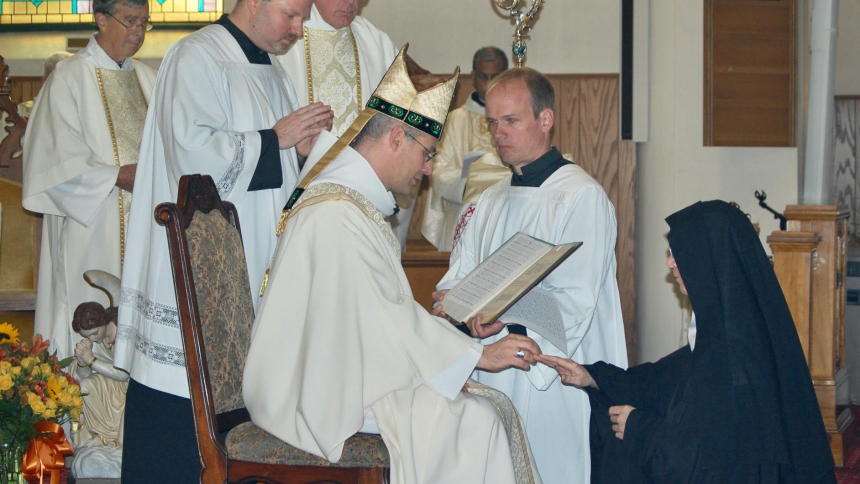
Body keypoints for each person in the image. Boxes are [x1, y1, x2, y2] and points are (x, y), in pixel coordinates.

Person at [244, 45, 542, 484]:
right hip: (311, 393)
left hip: (339, 374)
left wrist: (457, 344)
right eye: (427, 152)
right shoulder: (336, 213)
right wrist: (475, 355)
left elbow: (379, 316)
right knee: (474, 424)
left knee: (478, 411)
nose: (428, 168)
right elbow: (382, 320)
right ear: (396, 137)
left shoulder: (353, 205)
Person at [113, 0, 332, 481]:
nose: (298, 29)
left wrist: (303, 150)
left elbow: (276, 174)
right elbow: (192, 156)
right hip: (196, 276)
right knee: (182, 414)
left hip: (253, 266)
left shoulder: (274, 69)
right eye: (291, 15)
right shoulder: (195, 57)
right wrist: (275, 140)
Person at [540, 200, 837, 484]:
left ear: (706, 261)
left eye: (677, 253)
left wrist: (638, 428)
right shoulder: (724, 330)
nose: (670, 263)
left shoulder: (735, 359)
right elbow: (660, 382)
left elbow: (705, 466)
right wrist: (592, 376)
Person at [432, 67, 628, 484]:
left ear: (545, 119)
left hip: (546, 377)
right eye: (492, 123)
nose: (498, 133)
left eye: (511, 120)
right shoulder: (488, 201)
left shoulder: (581, 197)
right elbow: (459, 277)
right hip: (489, 369)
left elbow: (576, 300)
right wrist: (453, 304)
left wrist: (502, 307)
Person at [22, 0, 156, 363]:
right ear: (100, 19)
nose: (139, 31)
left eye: (145, 22)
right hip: (92, 226)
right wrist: (116, 176)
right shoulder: (69, 78)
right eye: (130, 21)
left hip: (147, 229)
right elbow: (53, 161)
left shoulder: (149, 80)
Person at [277, 0, 422, 249]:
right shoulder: (286, 36)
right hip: (299, 199)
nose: (350, 3)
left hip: (364, 205)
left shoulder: (377, 43)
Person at [421, 46, 507, 251]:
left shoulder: (514, 120)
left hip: (504, 215)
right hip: (462, 216)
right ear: (473, 77)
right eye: (483, 77)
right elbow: (438, 171)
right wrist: (473, 181)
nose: (488, 85)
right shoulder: (453, 121)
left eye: (495, 77)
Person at [17, 52, 73, 118]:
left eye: (63, 81)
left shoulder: (80, 114)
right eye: (51, 80)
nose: (56, 87)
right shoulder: (19, 112)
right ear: (43, 81)